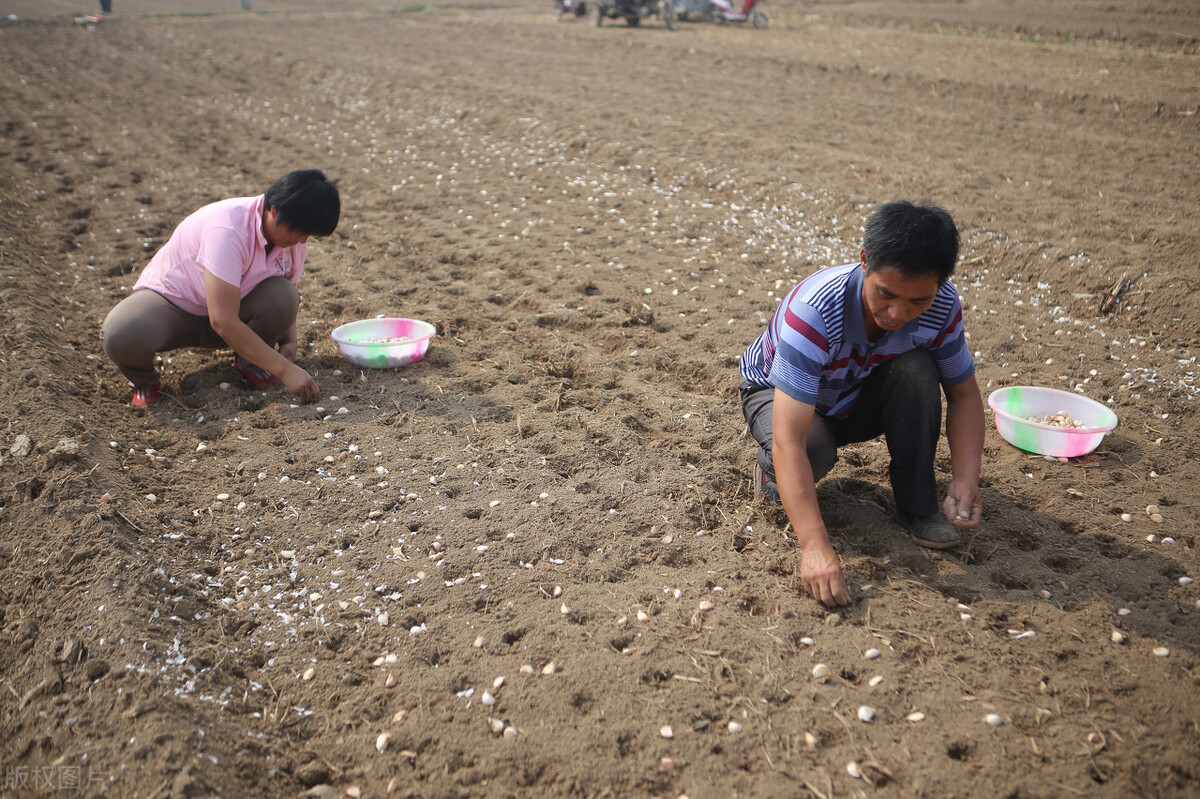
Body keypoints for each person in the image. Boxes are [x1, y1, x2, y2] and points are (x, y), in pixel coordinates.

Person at [738, 201, 985, 608]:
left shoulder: (941, 305)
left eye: (916, 302)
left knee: (918, 370)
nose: (897, 313)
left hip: (856, 390)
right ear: (864, 260)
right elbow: (788, 437)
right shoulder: (816, 310)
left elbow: (964, 394)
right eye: (885, 294)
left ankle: (918, 507)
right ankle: (772, 479)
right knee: (811, 447)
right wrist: (815, 546)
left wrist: (965, 478)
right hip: (781, 396)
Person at [101, 168, 340, 407]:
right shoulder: (228, 229)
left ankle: (252, 363)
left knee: (286, 296)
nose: (302, 241)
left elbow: (287, 292)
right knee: (121, 332)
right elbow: (222, 321)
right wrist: (286, 370)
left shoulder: (292, 242)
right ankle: (145, 381)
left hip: (231, 315)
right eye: (297, 231)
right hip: (174, 308)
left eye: (308, 234)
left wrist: (289, 341)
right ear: (274, 210)